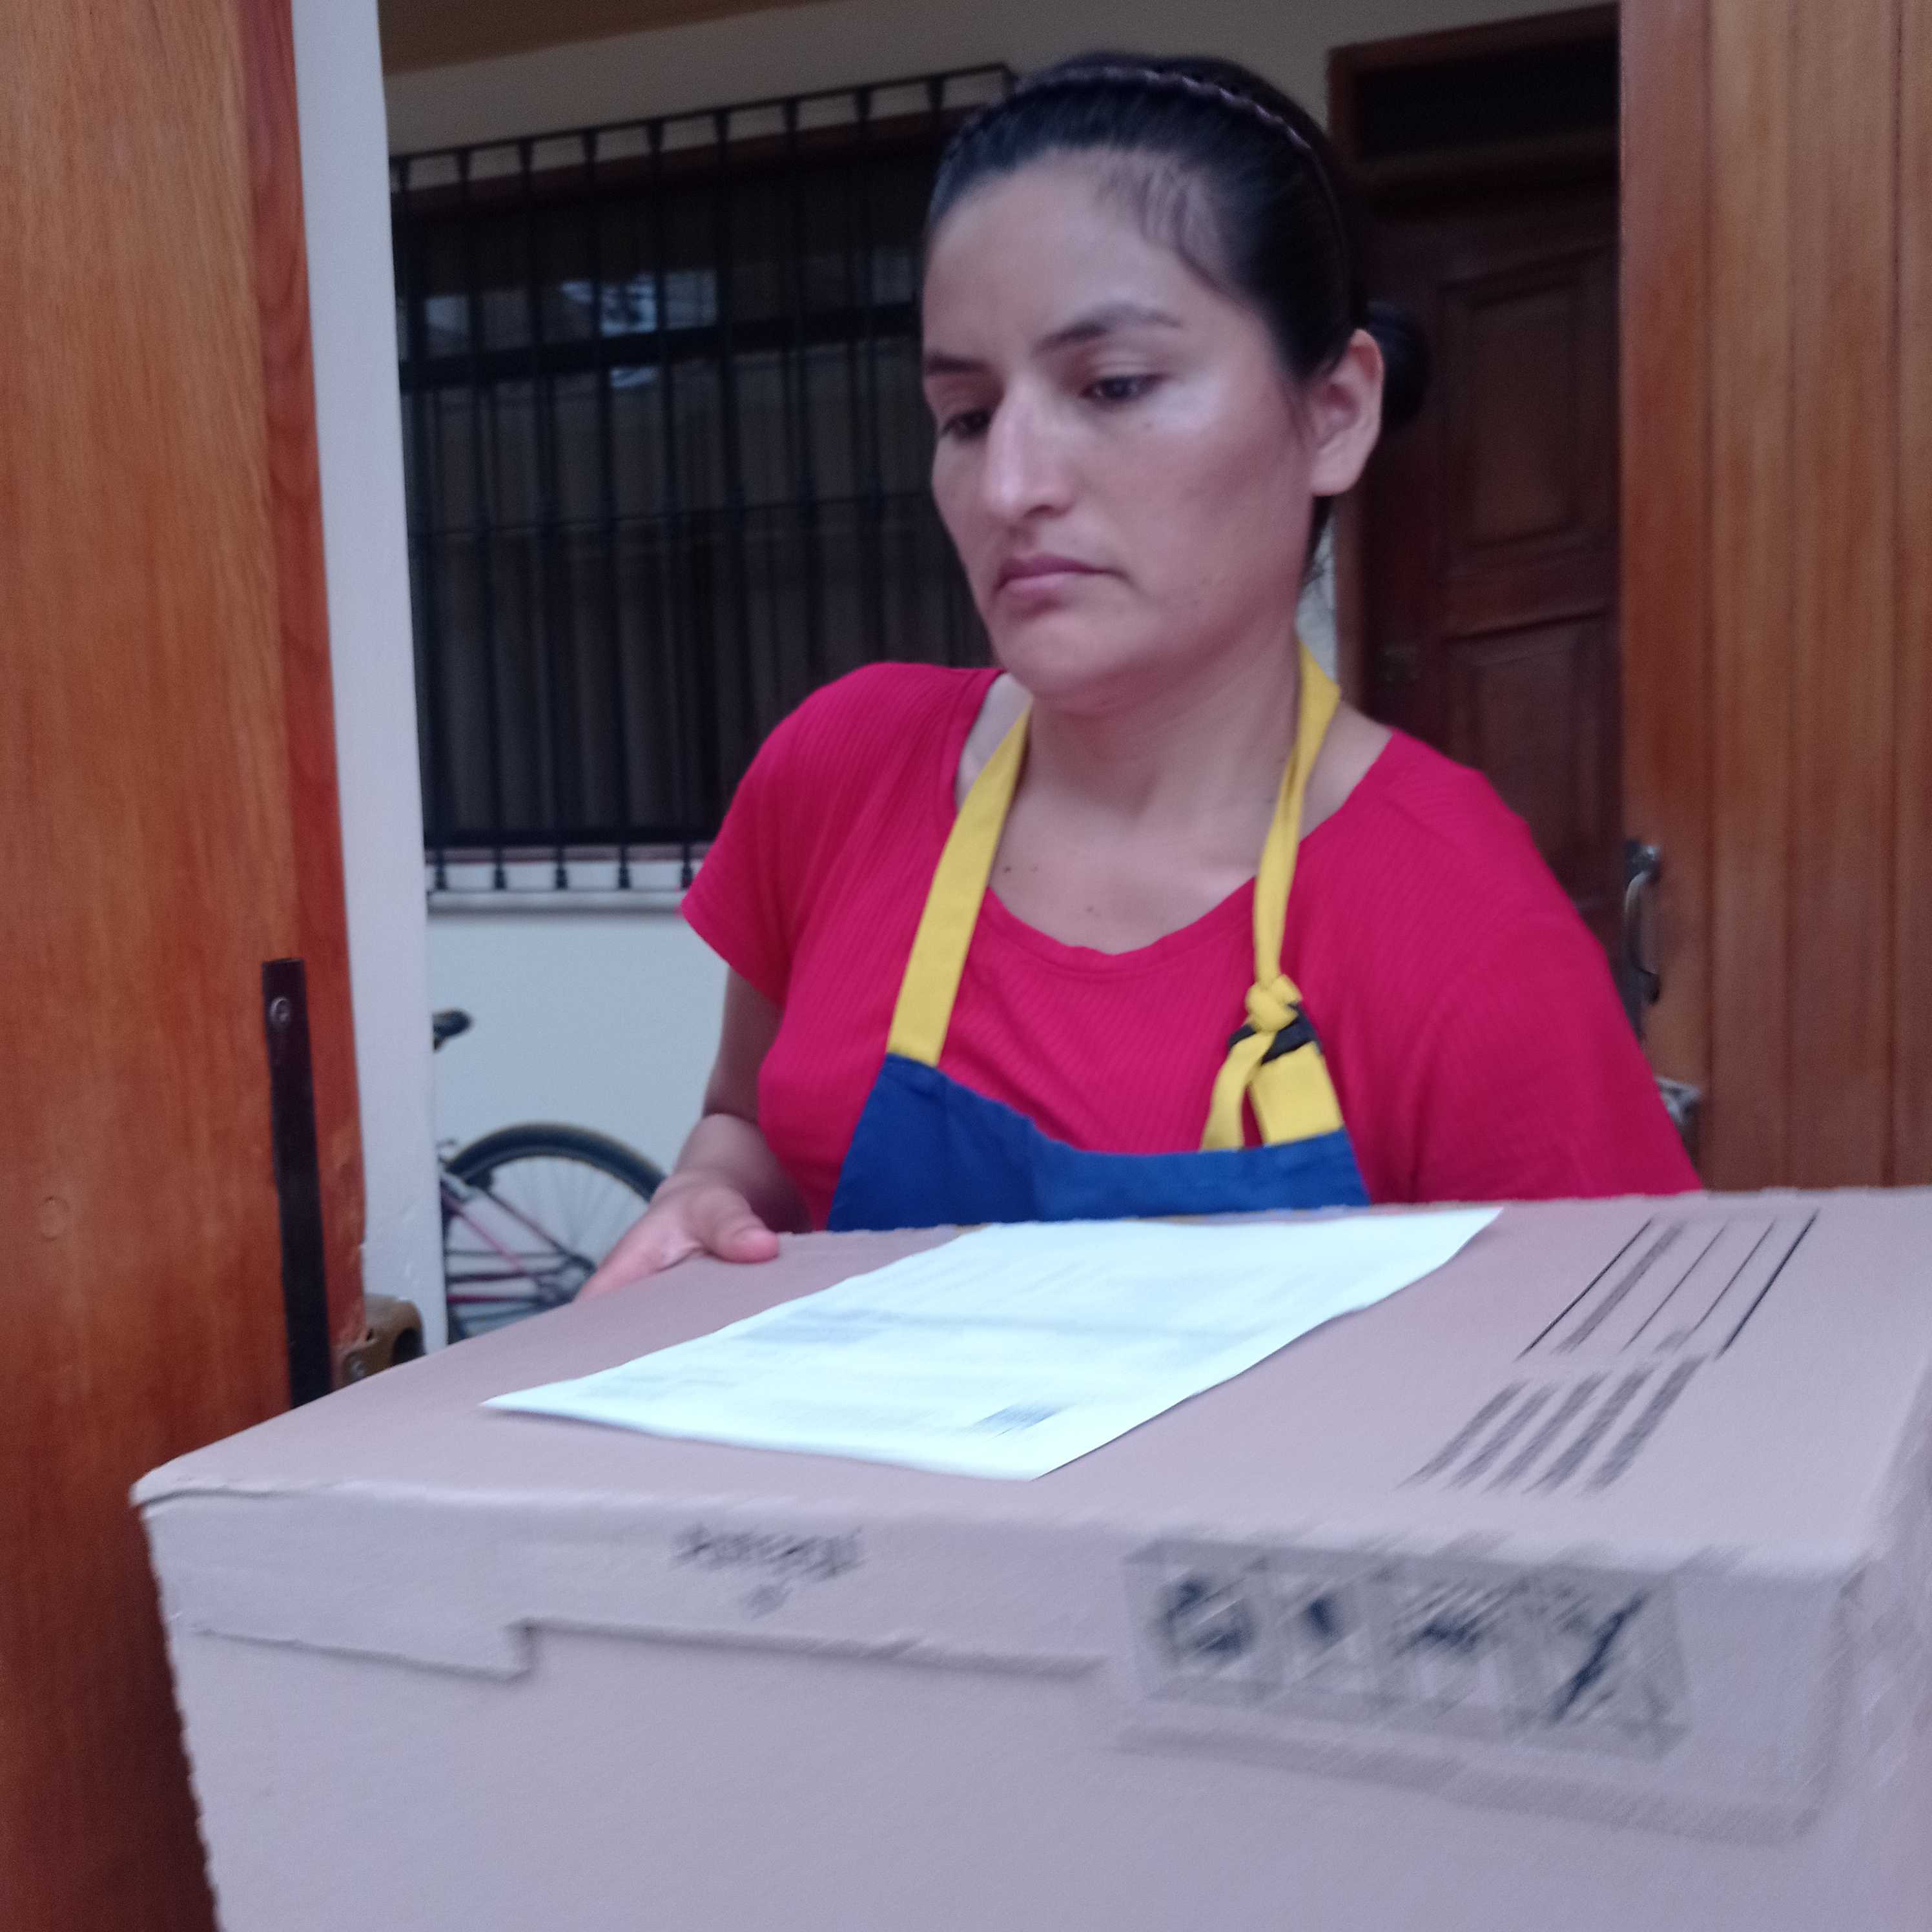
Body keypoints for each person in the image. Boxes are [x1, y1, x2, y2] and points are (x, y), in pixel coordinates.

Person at [585, 51, 1698, 1293]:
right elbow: (748, 1125)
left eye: (1112, 386)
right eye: (966, 415)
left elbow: (1626, 1365)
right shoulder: (839, 772)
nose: (1011, 486)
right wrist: (707, 1193)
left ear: (1334, 412)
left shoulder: (1462, 925)